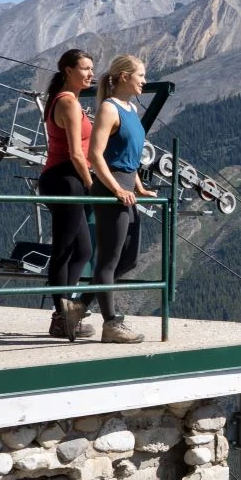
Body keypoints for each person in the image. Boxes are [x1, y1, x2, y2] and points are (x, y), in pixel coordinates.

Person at [86, 55, 157, 344]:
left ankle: (78, 306)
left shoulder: (130, 108)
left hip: (126, 187)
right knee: (109, 258)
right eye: (140, 75)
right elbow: (95, 156)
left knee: (128, 258)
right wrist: (117, 188)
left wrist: (137, 185)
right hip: (111, 188)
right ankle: (111, 324)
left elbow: (127, 156)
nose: (144, 80)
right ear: (125, 76)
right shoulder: (108, 108)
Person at [38, 49, 97, 340]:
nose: (90, 74)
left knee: (82, 250)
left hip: (63, 179)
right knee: (63, 250)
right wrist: (90, 184)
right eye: (85, 68)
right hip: (66, 180)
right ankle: (62, 317)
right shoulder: (69, 103)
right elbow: (75, 153)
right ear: (67, 71)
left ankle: (65, 313)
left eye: (91, 69)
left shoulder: (63, 100)